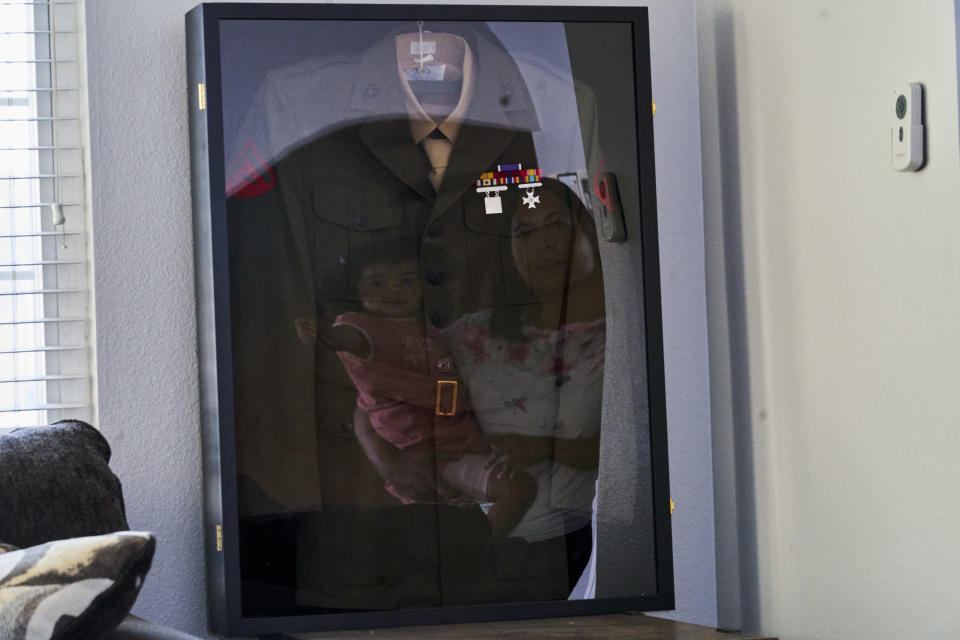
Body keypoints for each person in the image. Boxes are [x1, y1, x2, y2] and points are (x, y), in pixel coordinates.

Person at [295, 237, 536, 538]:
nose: (394, 289)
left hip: (464, 448)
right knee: (516, 490)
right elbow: (347, 341)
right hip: (429, 452)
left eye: (406, 280)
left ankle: (476, 549)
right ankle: (482, 552)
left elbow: (448, 393)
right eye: (378, 283)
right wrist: (324, 337)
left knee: (471, 515)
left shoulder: (430, 333)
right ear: (355, 292)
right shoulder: (364, 326)